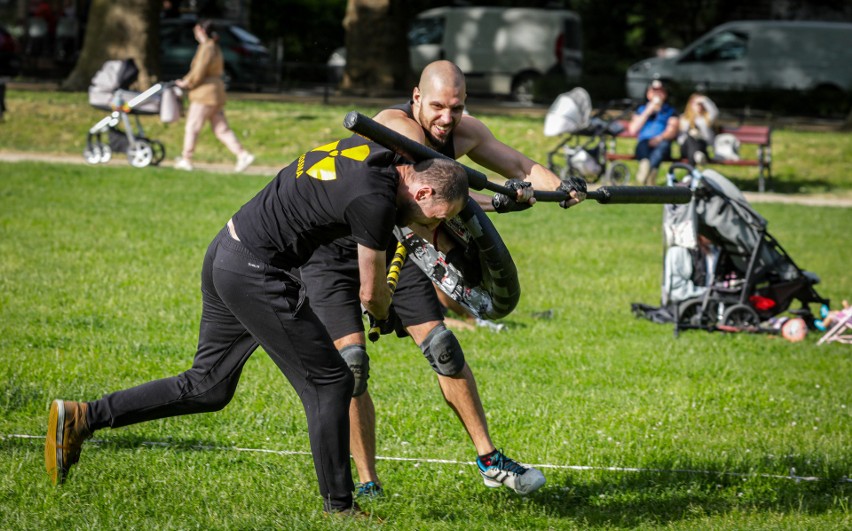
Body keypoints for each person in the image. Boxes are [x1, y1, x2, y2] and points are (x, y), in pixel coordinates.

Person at [44, 136, 469, 515]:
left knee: (208, 387)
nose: (428, 227)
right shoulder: (373, 205)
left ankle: (83, 417)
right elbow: (371, 294)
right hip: (255, 270)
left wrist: (504, 199)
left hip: (226, 251)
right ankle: (341, 509)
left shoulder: (382, 155)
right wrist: (383, 314)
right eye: (433, 219)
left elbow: (436, 195)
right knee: (331, 383)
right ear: (423, 190)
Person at [300, 60, 584, 499]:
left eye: (456, 107)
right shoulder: (396, 126)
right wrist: (499, 198)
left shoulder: (464, 130)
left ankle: (491, 460)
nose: (446, 117)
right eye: (436, 106)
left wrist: (562, 188)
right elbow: (437, 189)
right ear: (416, 98)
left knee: (443, 346)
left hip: (398, 239)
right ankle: (368, 481)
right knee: (352, 364)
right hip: (334, 249)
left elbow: (519, 164)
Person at [174, 19, 254, 173]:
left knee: (192, 127)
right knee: (221, 129)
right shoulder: (214, 47)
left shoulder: (206, 47)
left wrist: (187, 83)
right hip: (216, 93)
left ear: (202, 31)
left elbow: (199, 70)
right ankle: (242, 155)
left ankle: (186, 158)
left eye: (196, 31)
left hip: (204, 94)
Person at [628, 79, 678, 186]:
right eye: (654, 91)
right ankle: (647, 171)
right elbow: (633, 129)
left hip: (662, 143)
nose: (657, 94)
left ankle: (649, 173)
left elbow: (672, 131)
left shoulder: (670, 110)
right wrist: (648, 110)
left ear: (665, 94)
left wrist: (658, 138)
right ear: (648, 93)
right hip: (644, 143)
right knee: (643, 145)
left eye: (660, 91)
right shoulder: (641, 109)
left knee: (662, 146)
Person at [677, 93, 718, 166]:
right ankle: (697, 156)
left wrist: (704, 100)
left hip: (702, 146)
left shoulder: (706, 118)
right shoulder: (684, 118)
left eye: (701, 104)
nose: (700, 106)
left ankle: (689, 174)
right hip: (686, 147)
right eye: (697, 104)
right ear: (691, 104)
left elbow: (715, 112)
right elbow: (680, 138)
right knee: (690, 138)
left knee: (696, 146)